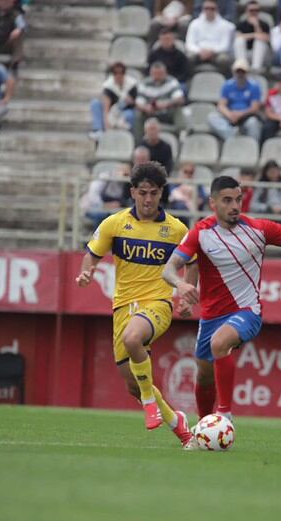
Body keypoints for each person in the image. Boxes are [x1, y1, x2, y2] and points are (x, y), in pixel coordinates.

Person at [162, 175, 281, 421]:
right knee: (204, 374)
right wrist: (183, 288)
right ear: (213, 202)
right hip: (211, 316)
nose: (235, 206)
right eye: (227, 200)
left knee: (220, 344)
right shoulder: (200, 233)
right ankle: (203, 426)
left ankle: (225, 416)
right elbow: (170, 268)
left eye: (238, 199)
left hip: (247, 311)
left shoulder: (258, 229)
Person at [75, 162, 197, 449]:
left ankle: (148, 403)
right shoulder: (114, 223)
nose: (148, 199)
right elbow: (91, 255)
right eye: (142, 193)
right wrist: (86, 272)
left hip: (157, 303)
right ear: (132, 192)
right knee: (133, 383)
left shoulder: (176, 229)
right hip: (123, 308)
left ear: (161, 193)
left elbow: (192, 262)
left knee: (133, 339)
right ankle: (178, 423)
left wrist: (187, 294)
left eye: (153, 193)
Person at [207, 58, 262, 141]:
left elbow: (254, 107)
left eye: (242, 72)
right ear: (233, 72)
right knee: (212, 117)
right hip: (230, 114)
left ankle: (253, 146)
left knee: (253, 123)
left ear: (247, 73)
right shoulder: (227, 85)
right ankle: (232, 136)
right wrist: (229, 114)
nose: (240, 74)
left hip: (246, 115)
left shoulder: (254, 86)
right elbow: (221, 105)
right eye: (238, 72)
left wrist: (240, 114)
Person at [185, 0, 235, 74]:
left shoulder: (225, 25)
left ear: (217, 9)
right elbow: (189, 44)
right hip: (199, 53)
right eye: (206, 8)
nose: (209, 11)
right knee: (189, 57)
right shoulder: (194, 23)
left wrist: (212, 52)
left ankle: (223, 80)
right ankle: (189, 80)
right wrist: (200, 51)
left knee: (224, 59)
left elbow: (225, 45)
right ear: (203, 9)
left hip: (216, 53)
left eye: (212, 8)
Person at [134, 61, 185, 133]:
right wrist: (146, 107)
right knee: (138, 114)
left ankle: (182, 134)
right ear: (151, 73)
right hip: (151, 113)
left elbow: (180, 99)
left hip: (167, 111)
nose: (158, 76)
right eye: (155, 74)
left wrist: (167, 103)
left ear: (165, 73)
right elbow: (138, 103)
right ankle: (138, 141)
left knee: (178, 110)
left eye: (160, 74)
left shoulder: (172, 82)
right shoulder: (144, 84)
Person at [89, 62, 137, 138]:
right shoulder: (108, 86)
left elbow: (137, 104)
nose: (119, 75)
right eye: (116, 73)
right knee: (95, 103)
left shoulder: (132, 84)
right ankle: (98, 129)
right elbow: (106, 107)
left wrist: (131, 102)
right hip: (111, 112)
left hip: (124, 112)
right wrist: (106, 123)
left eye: (121, 72)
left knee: (129, 114)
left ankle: (125, 135)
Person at [81, 162, 131, 227]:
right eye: (123, 171)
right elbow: (92, 195)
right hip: (93, 207)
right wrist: (105, 205)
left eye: (127, 173)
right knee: (101, 216)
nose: (124, 174)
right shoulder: (105, 177)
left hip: (115, 211)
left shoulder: (127, 183)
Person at [234, 1, 270, 73]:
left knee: (259, 42)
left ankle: (255, 69)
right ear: (246, 11)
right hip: (245, 52)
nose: (254, 12)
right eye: (251, 10)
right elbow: (237, 36)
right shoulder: (241, 24)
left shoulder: (264, 24)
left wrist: (256, 25)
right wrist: (254, 35)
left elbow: (266, 38)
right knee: (239, 41)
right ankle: (242, 67)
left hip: (262, 53)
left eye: (256, 10)